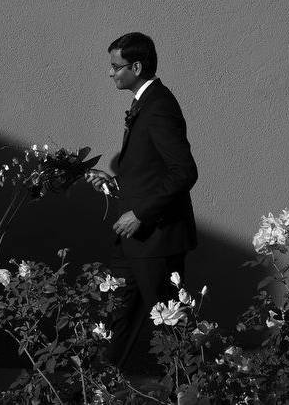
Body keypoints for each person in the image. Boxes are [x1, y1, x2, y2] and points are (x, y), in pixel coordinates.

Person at [86, 32, 198, 370]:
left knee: (171, 322)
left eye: (115, 66)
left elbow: (183, 172)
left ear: (136, 66)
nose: (110, 73)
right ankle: (97, 385)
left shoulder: (160, 106)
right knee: (116, 316)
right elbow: (149, 171)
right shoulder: (144, 103)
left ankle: (192, 390)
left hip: (156, 239)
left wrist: (141, 214)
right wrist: (114, 183)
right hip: (133, 238)